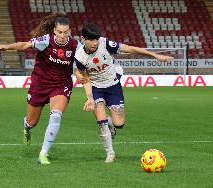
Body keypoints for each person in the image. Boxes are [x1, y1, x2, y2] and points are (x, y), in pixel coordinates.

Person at [74, 23, 173, 163]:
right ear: (83, 39)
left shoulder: (105, 44)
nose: (95, 43)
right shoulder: (79, 57)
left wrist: (155, 55)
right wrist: (90, 98)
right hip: (96, 87)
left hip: (113, 84)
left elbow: (131, 49)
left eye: (96, 39)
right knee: (100, 122)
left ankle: (110, 124)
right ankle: (110, 153)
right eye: (91, 40)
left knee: (119, 123)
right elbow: (85, 78)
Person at [0, 13, 81, 165]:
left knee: (56, 115)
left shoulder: (75, 46)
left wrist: (82, 74)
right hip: (40, 84)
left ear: (70, 31)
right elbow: (25, 45)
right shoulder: (46, 40)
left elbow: (83, 63)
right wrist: (7, 47)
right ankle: (26, 127)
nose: (62, 35)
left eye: (66, 32)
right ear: (54, 30)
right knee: (32, 122)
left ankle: (43, 154)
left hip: (61, 84)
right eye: (59, 32)